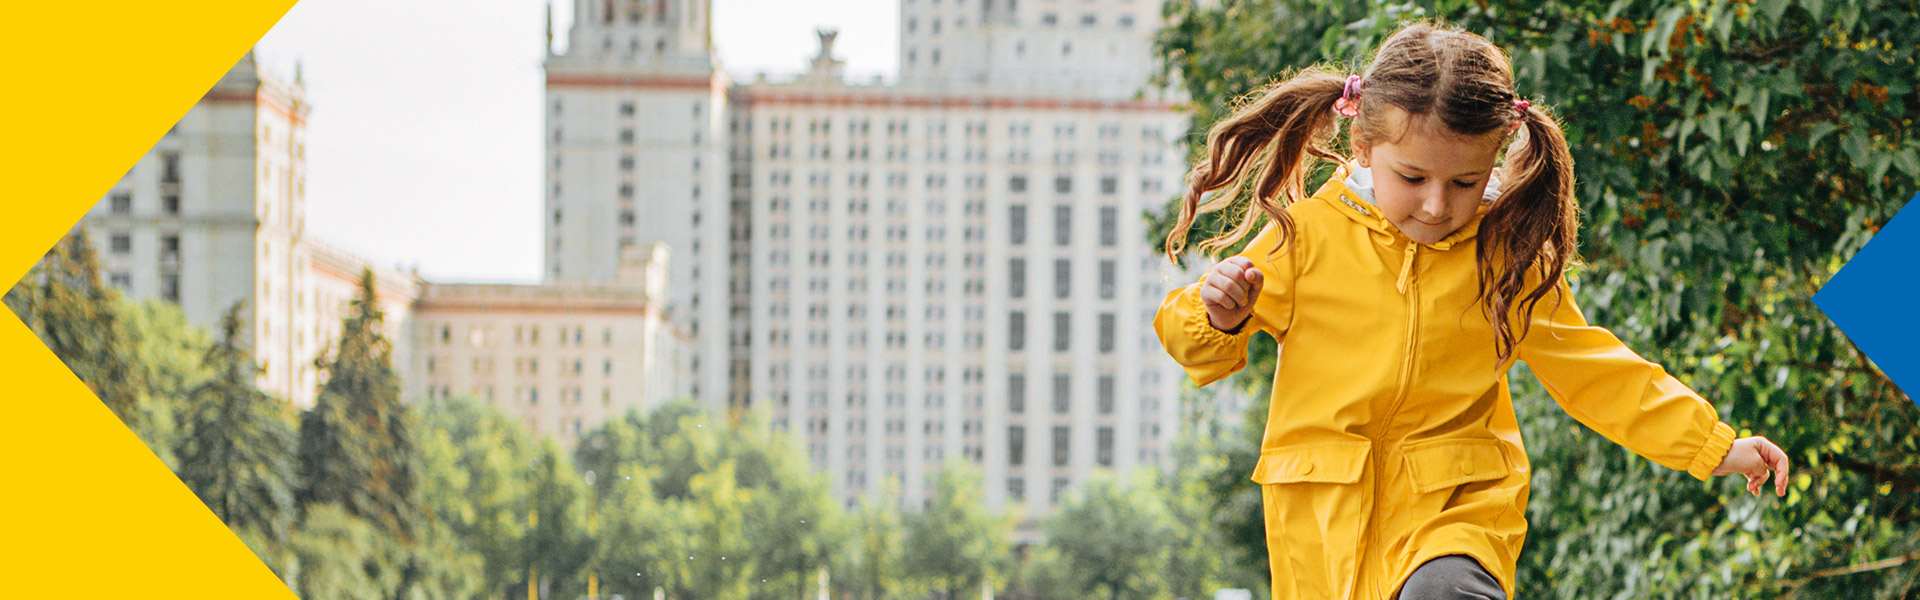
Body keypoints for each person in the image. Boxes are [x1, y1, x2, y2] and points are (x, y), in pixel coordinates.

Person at [1152, 20, 1790, 600]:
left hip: (1457, 507)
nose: (1435, 205)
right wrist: (1220, 315)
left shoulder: (1507, 255)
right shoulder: (1306, 235)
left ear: (1495, 157)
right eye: (1414, 178)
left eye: (1463, 183)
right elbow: (1193, 345)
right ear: (1364, 144)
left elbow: (1596, 370)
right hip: (1323, 519)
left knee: (1444, 594)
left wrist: (1714, 445)